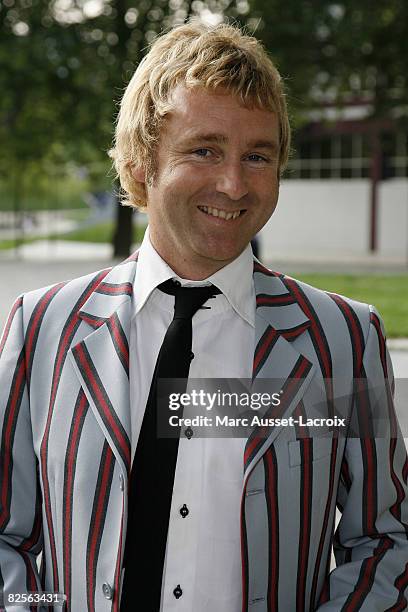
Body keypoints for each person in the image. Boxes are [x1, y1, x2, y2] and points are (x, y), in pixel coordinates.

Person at [0, 21, 407, 612]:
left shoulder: (341, 341)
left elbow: (386, 540)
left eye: (258, 156)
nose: (234, 183)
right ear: (142, 163)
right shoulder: (43, 330)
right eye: (204, 149)